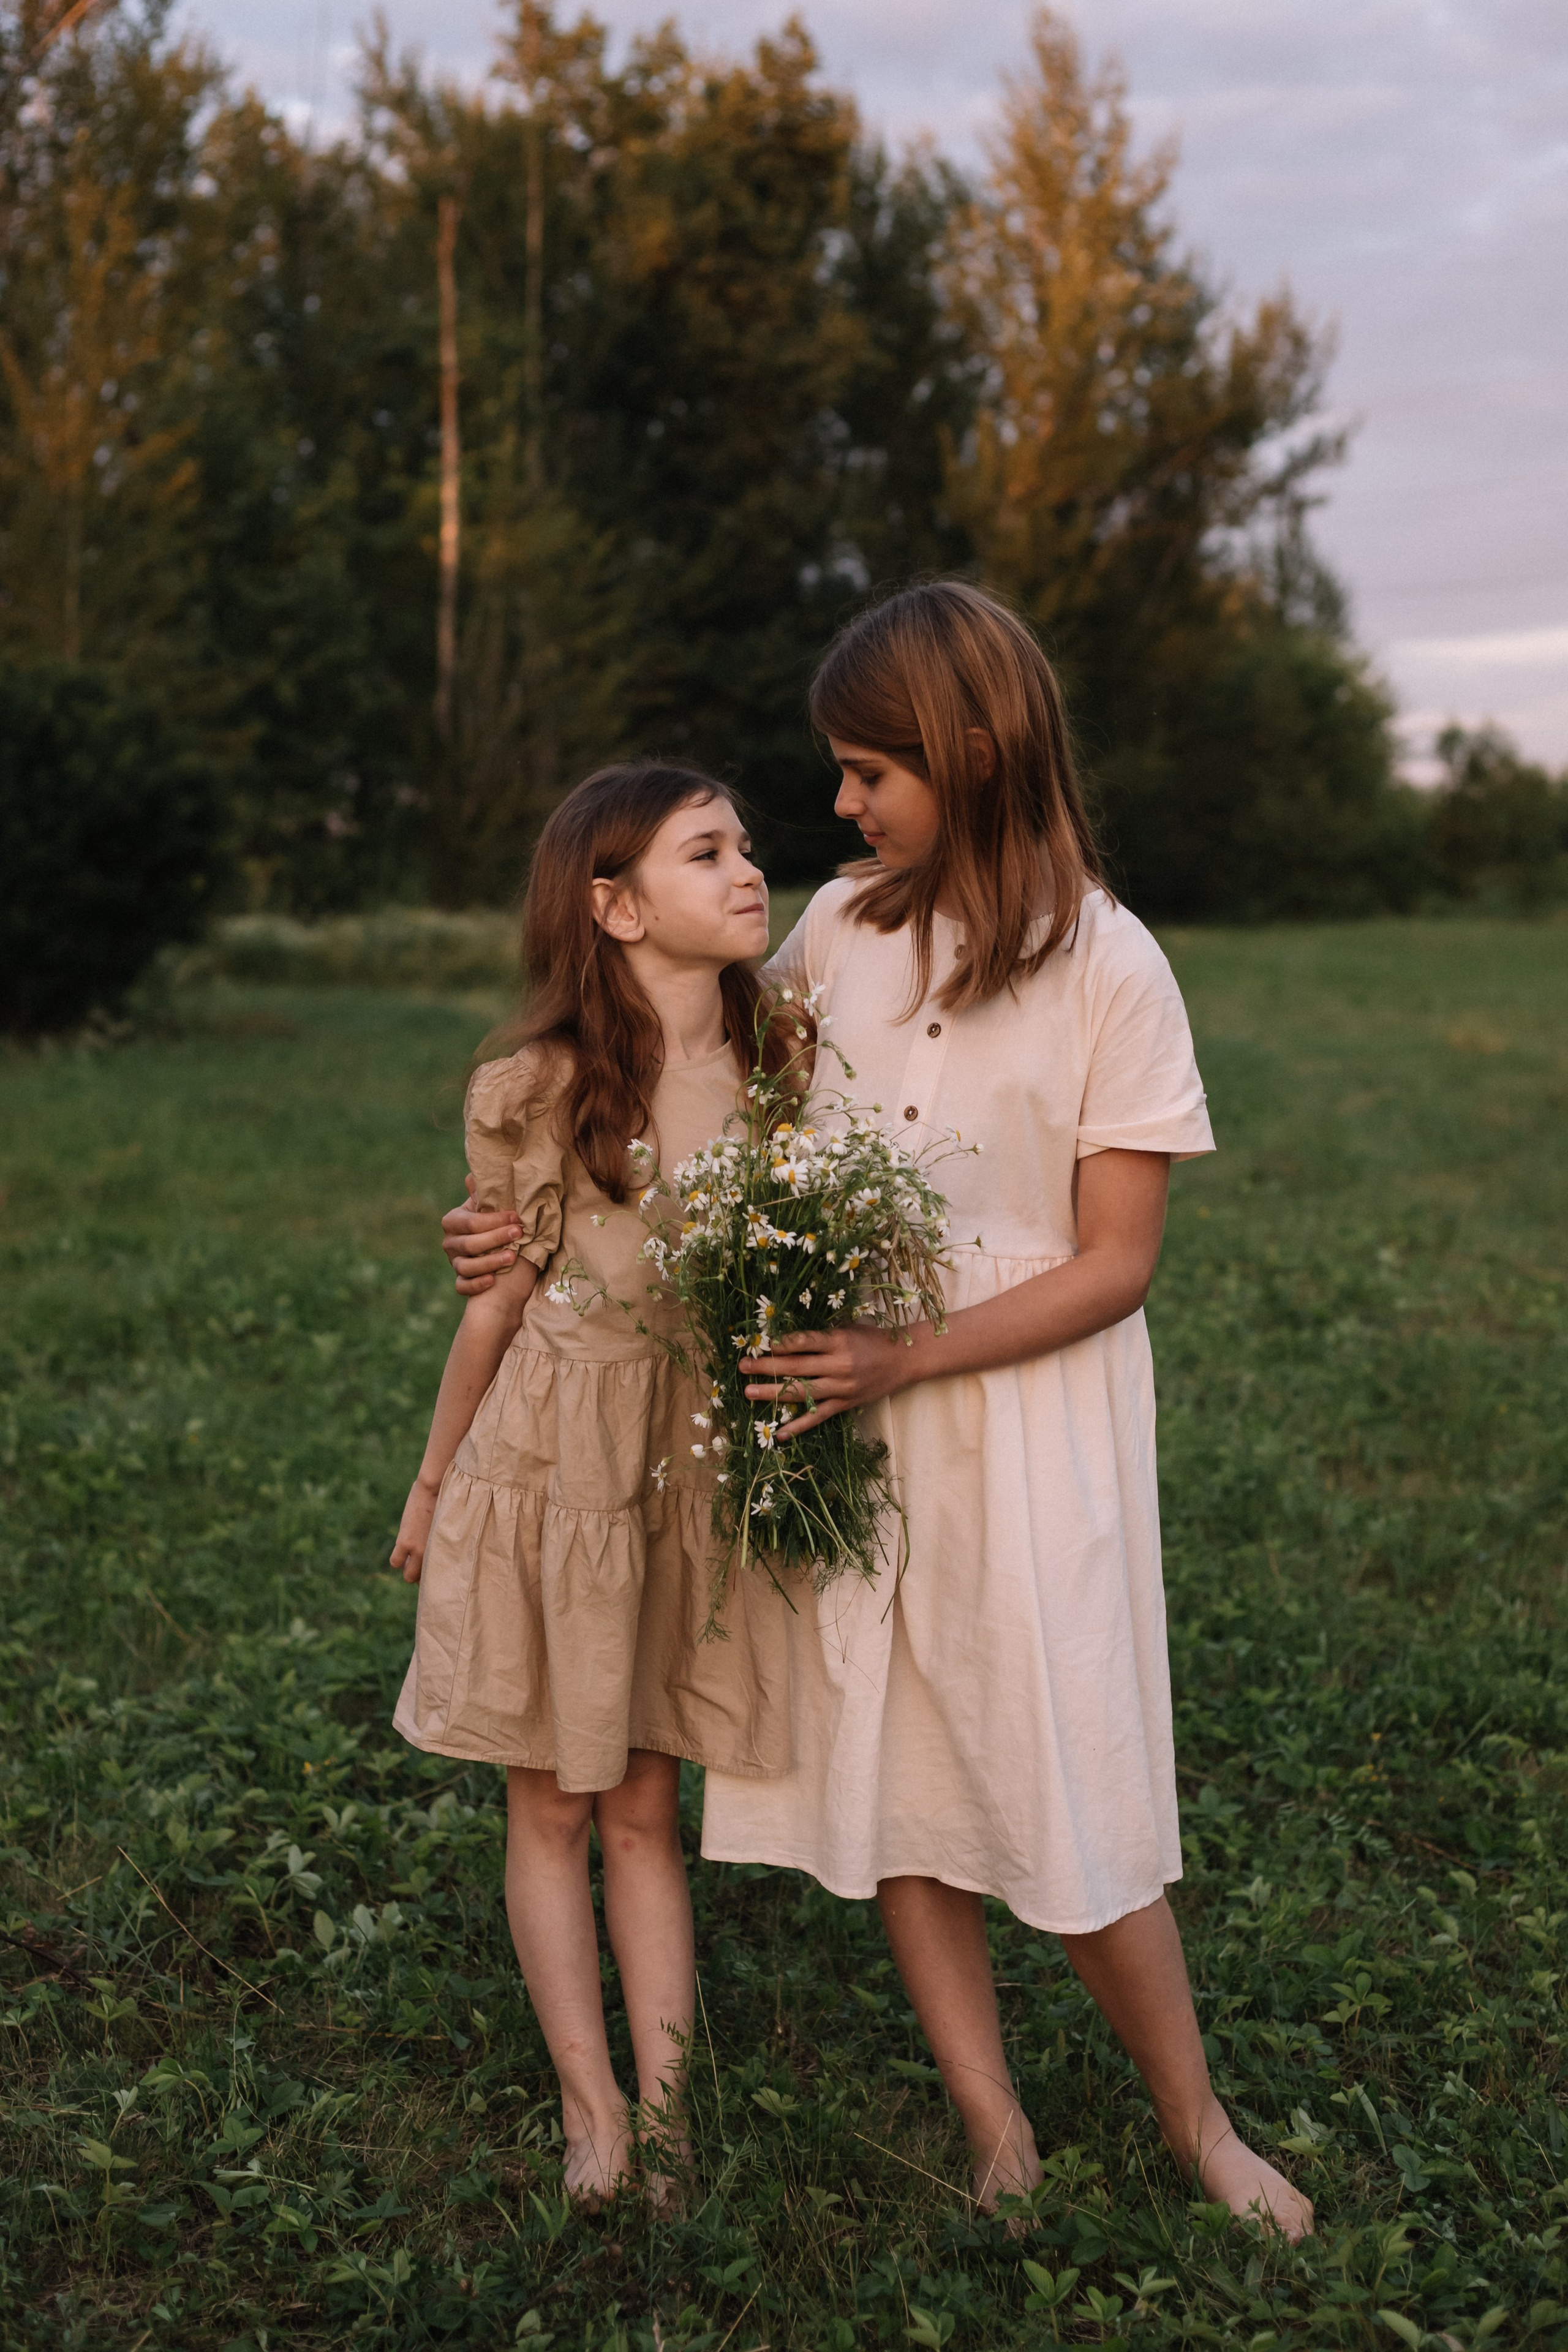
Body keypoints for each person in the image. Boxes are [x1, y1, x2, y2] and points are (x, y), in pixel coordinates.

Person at [443, 584, 1314, 2240]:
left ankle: (1198, 2124)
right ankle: (996, 2131)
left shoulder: (1112, 968)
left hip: (1023, 1416)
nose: (839, 806)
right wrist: (521, 1200)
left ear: (969, 755)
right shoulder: (842, 929)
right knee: (904, 1762)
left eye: (867, 771)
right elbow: (671, 1057)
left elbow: (1119, 1261)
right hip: (842, 1419)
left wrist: (914, 1355)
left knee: (1061, 1763)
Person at [391, 761, 797, 2207]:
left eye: (746, 846)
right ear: (615, 906)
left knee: (643, 1800)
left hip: (681, 1466)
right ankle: (592, 2113)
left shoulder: (783, 1063)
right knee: (551, 1804)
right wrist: (435, 1481)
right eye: (707, 852)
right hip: (552, 1463)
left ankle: (674, 2116)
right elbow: (493, 1301)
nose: (749, 869)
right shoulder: (533, 1087)